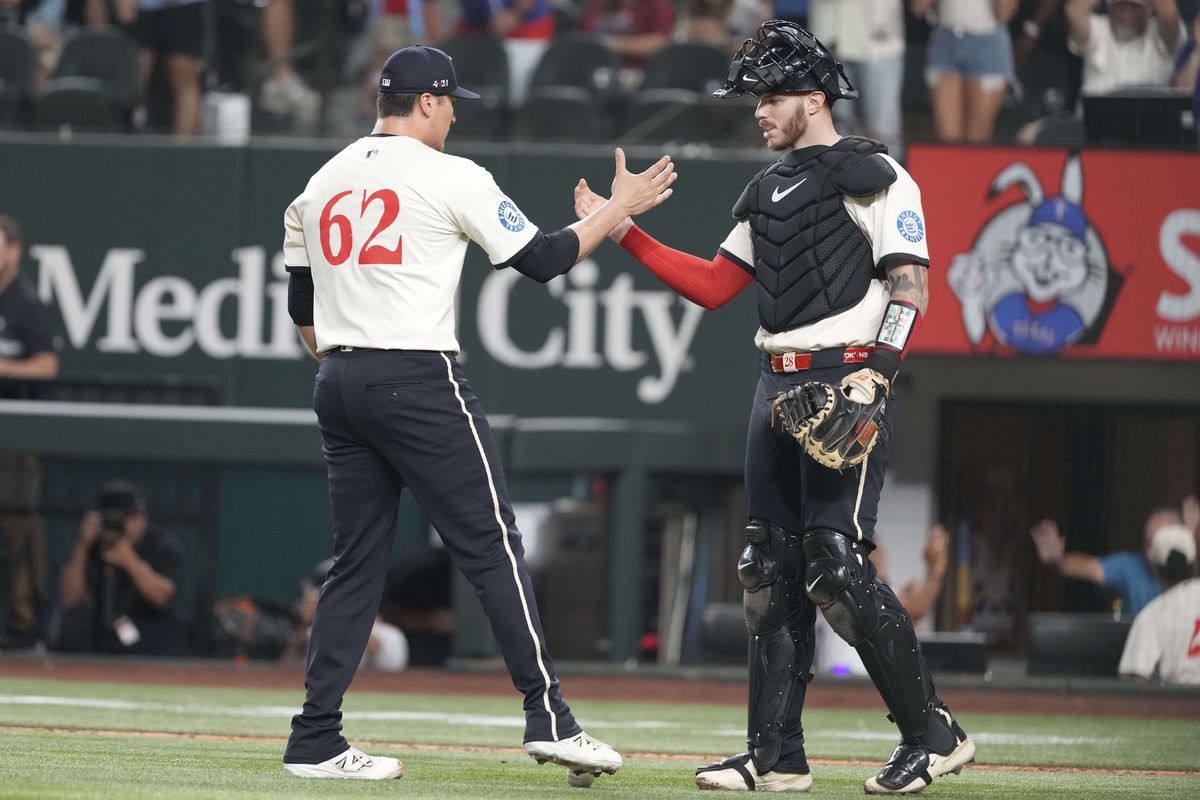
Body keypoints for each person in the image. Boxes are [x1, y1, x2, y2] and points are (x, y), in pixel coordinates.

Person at [574, 20, 973, 795]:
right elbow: (716, 287)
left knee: (835, 565)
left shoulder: (876, 171)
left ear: (815, 96)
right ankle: (774, 754)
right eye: (755, 96)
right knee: (767, 567)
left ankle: (933, 733)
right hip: (776, 383)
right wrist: (624, 232)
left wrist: (878, 378)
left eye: (771, 95)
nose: (758, 110)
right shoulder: (766, 187)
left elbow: (911, 289)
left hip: (848, 378)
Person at [278, 44, 674, 782]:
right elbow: (546, 258)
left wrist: (352, 356)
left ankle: (315, 737)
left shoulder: (321, 179)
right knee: (492, 544)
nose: (456, 112)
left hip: (338, 376)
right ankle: (549, 717)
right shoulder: (449, 174)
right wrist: (620, 210)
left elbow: (304, 313)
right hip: (415, 373)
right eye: (451, 99)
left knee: (356, 565)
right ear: (425, 102)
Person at [0, 214, 60, 646]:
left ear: (14, 251)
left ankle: (22, 628)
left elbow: (47, 365)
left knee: (17, 531)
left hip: (14, 440)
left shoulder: (25, 304)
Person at [55, 481, 184, 656]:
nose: (129, 523)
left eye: (134, 516)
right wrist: (83, 544)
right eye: (120, 517)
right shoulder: (93, 546)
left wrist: (129, 560)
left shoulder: (160, 545)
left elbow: (162, 596)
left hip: (152, 646)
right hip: (101, 645)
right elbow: (70, 598)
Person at [817, 525, 951, 676]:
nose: (882, 558)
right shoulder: (862, 584)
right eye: (875, 553)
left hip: (834, 675)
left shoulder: (835, 584)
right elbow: (918, 608)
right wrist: (937, 569)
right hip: (852, 676)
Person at [1030, 506, 1185, 616]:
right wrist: (1058, 561)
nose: (1151, 551)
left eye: (1159, 542)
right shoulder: (1131, 566)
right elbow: (1090, 568)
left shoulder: (1192, 569)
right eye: (1147, 543)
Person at [911, 0, 1018, 142]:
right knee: (947, 142)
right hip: (945, 40)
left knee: (977, 141)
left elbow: (1005, 13)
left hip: (988, 42)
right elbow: (918, 8)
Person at [810, 0, 907, 155]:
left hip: (880, 41)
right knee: (836, 132)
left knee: (884, 132)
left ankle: (890, 178)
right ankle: (838, 178)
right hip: (830, 40)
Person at [281, 560, 410, 671]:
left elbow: (391, 667)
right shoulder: (313, 631)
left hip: (370, 693)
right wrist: (303, 625)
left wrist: (341, 613)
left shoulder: (389, 634)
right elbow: (285, 670)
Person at [1118, 523, 1200, 684]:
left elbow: (1134, 680)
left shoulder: (1152, 614)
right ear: (1193, 566)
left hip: (1182, 704)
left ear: (1155, 568)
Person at [1067, 0, 1184, 95]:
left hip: (1151, 118)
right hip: (1098, 118)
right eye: (1121, 6)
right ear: (1110, 10)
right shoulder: (1098, 29)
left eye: (1134, 7)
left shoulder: (1158, 33)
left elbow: (1168, 12)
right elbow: (1075, 11)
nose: (1127, 14)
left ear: (1148, 9)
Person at [577, 0, 676, 68]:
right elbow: (580, 36)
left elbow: (660, 43)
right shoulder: (598, 3)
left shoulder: (657, 5)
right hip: (594, 68)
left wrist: (613, 44)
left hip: (635, 71)